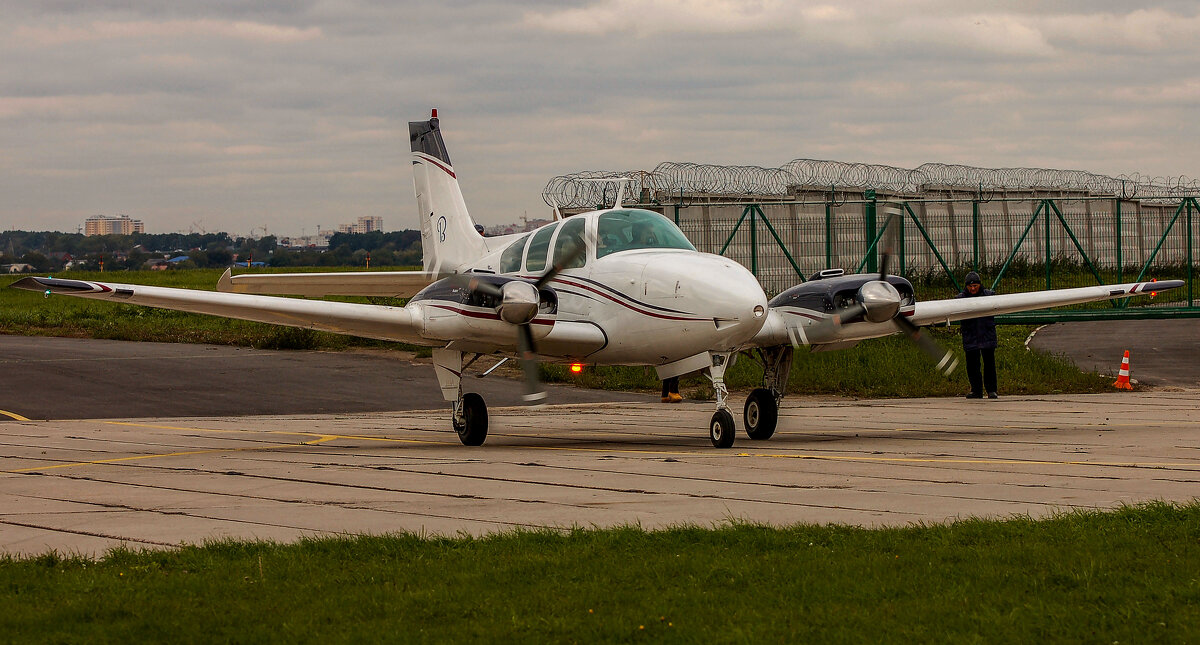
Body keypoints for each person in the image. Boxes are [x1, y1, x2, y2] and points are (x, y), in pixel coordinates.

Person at [957, 271, 998, 399]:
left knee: (989, 364)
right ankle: (976, 390)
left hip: (987, 335)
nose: (973, 288)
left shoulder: (990, 296)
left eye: (975, 285)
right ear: (966, 286)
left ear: (980, 285)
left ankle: (992, 390)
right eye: (970, 286)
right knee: (972, 365)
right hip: (971, 336)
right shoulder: (960, 299)